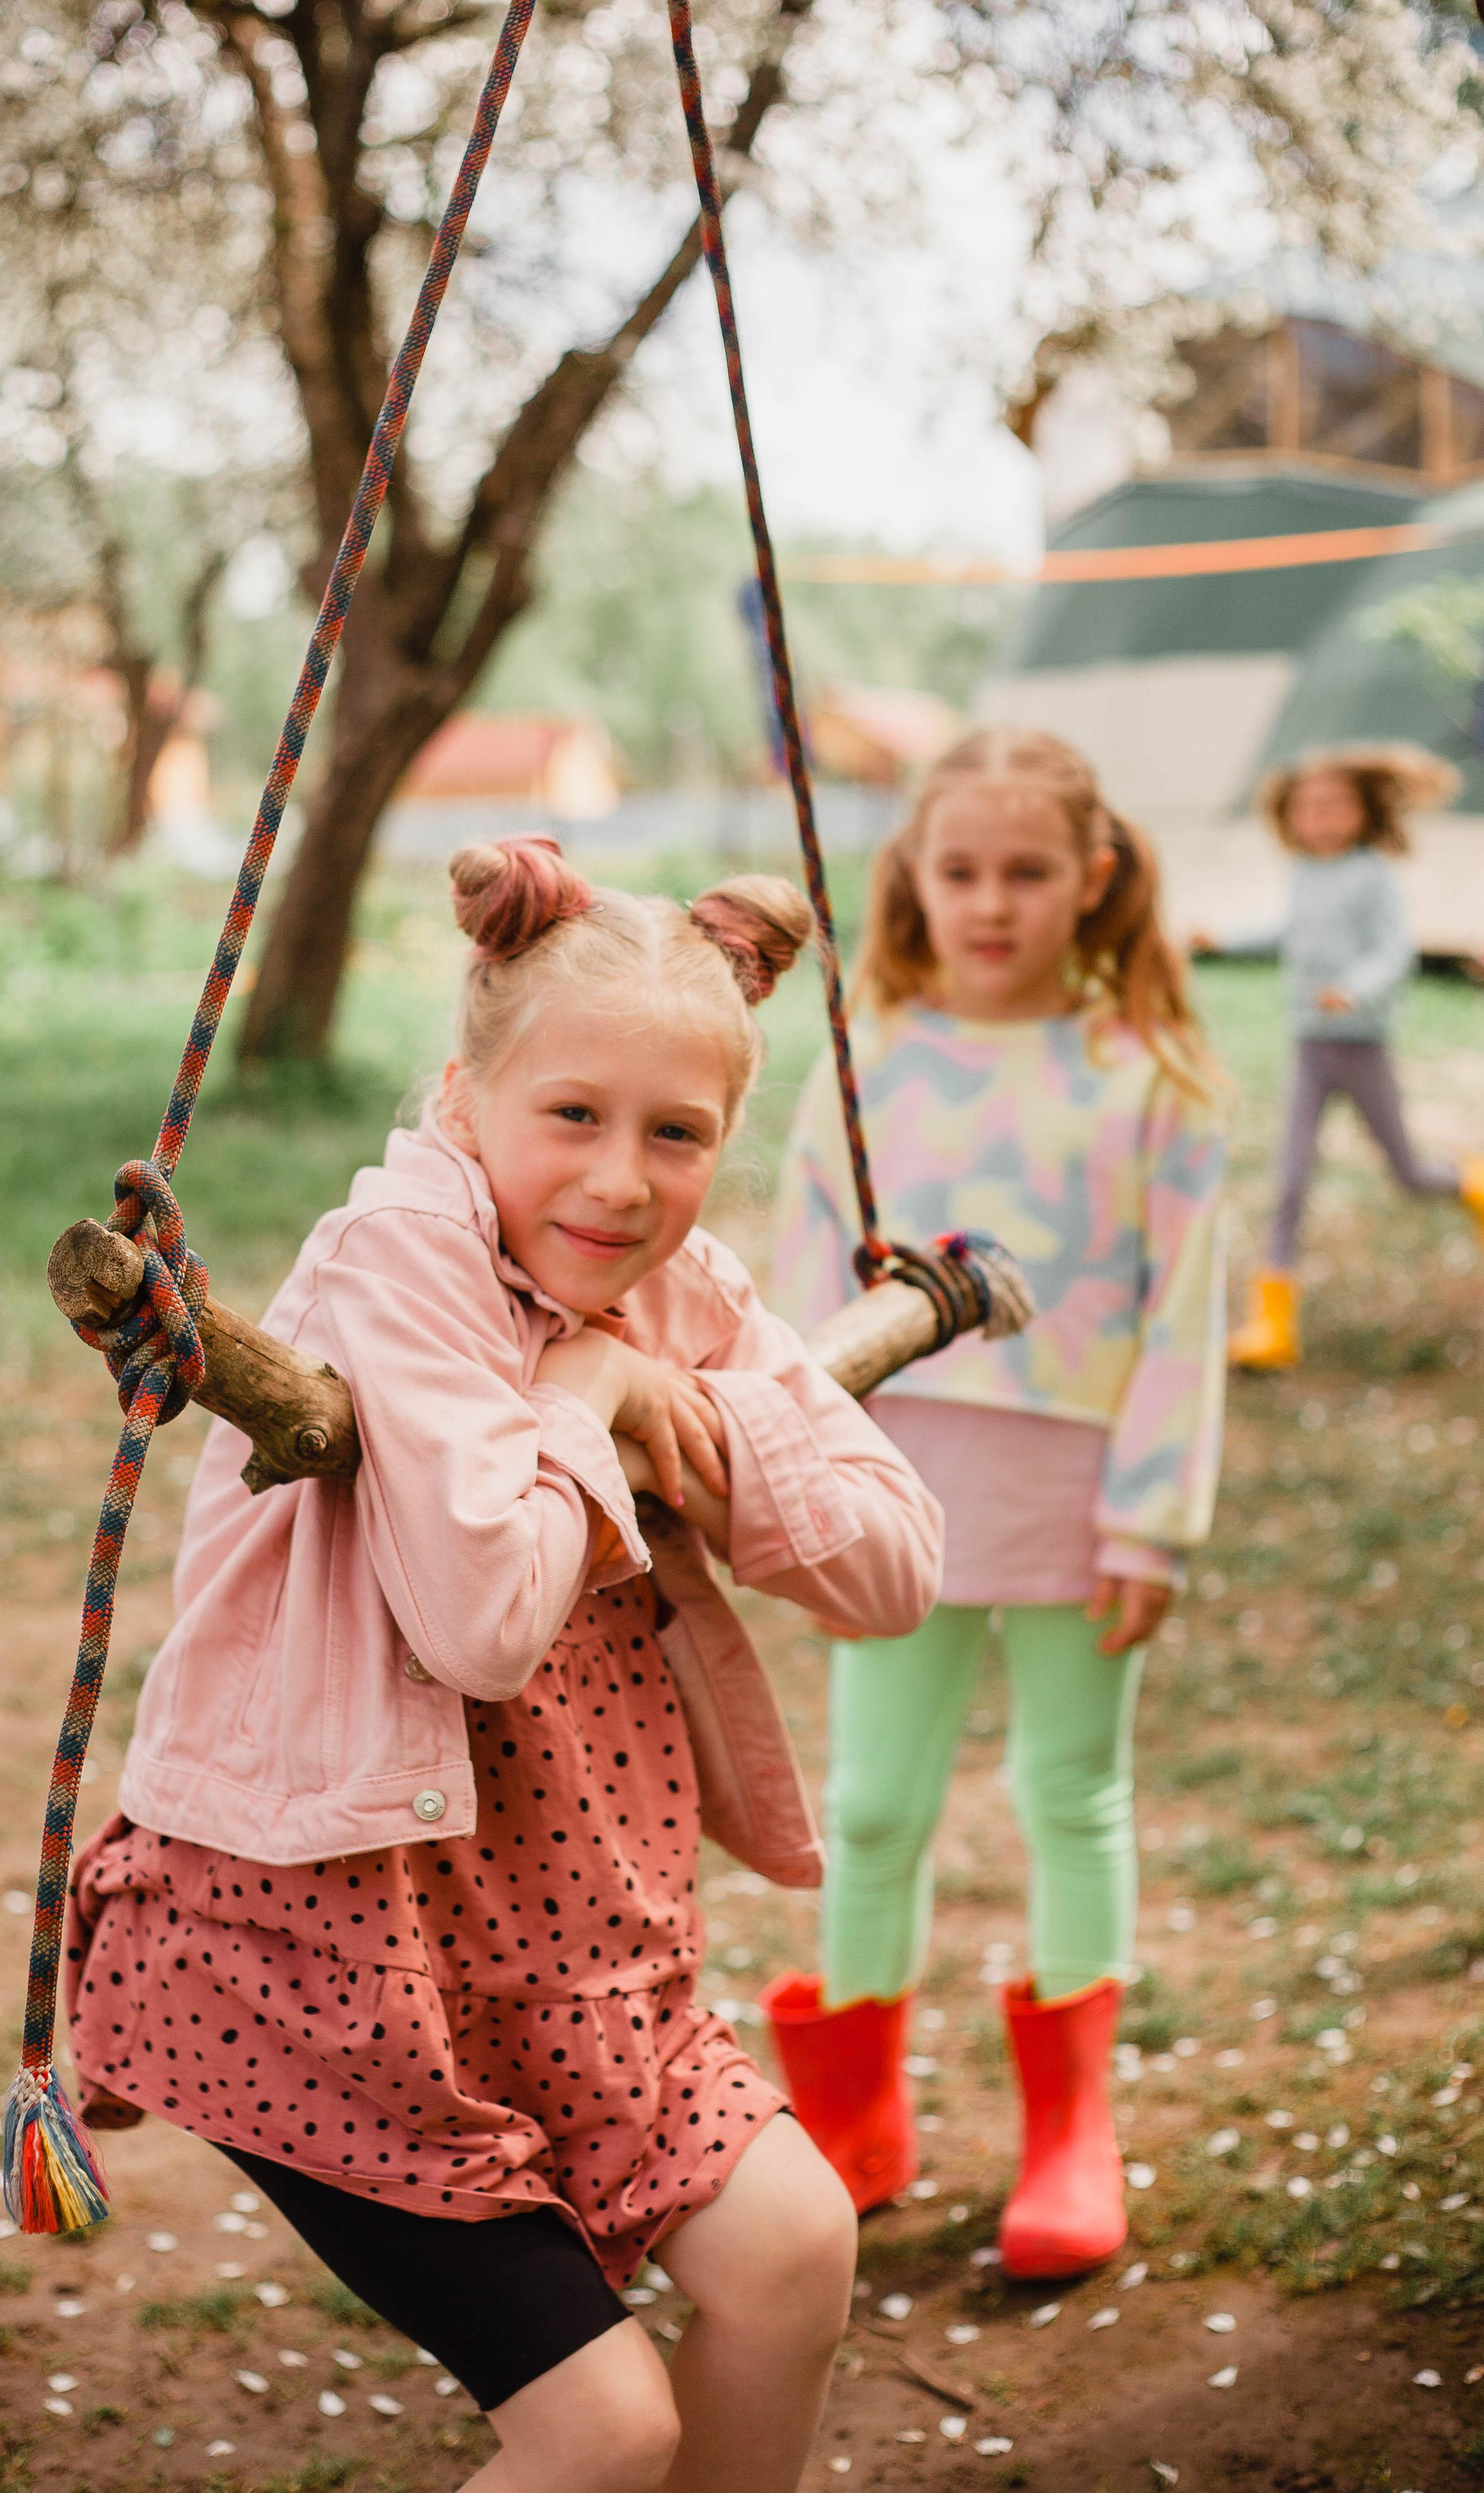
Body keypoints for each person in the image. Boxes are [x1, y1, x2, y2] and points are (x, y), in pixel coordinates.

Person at [63, 839, 943, 2493]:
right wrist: (585, 1403)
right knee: (601, 2427)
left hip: (565, 1936)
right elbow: (482, 1618)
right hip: (327, 1950)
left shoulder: (678, 1286)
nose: (619, 1179)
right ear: (466, 1099)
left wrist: (709, 1413)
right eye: (572, 1115)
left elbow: (893, 1566)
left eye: (674, 1133)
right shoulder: (401, 1259)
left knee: (793, 2248)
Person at [766, 728, 1226, 2279]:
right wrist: (791, 1487)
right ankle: (854, 2122)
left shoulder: (1145, 1076)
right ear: (912, 876)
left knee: (1065, 1794)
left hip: (1079, 1497)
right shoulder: (863, 1060)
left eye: (1025, 870)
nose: (989, 900)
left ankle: (1067, 2133)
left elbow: (1180, 1315)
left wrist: (1151, 1519)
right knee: (874, 1809)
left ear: (1089, 878)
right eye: (957, 868)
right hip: (894, 1491)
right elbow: (793, 1300)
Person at [1218, 744, 1484, 1371]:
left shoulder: (1373, 876)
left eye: (1336, 806)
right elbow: (1284, 929)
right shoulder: (1306, 875)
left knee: (1410, 1175)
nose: (1321, 818)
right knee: (1290, 1183)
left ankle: (1471, 1182)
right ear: (1289, 816)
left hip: (1361, 1048)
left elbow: (1395, 953)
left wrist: (1354, 990)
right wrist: (1223, 939)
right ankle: (1271, 1327)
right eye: (1309, 807)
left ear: (1365, 812)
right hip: (1310, 1049)